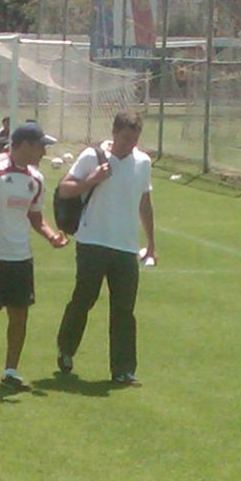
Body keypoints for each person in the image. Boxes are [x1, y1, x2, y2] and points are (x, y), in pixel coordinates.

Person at [0, 122, 68, 391]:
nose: (44, 151)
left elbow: (34, 216)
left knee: (19, 315)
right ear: (25, 145)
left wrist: (51, 235)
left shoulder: (36, 179)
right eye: (41, 146)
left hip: (21, 257)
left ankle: (10, 372)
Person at [55, 109, 156, 387]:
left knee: (124, 310)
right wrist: (92, 179)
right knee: (84, 299)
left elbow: (144, 202)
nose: (129, 146)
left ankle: (123, 370)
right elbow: (65, 189)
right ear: (113, 133)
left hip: (126, 247)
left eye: (134, 140)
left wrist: (151, 243)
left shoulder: (143, 162)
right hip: (92, 242)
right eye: (124, 139)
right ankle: (66, 348)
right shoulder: (92, 156)